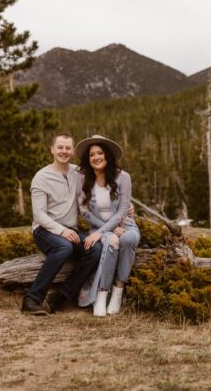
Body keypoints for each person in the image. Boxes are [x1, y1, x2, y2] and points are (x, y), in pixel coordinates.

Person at [21, 133, 103, 315]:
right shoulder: (41, 177)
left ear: (73, 151)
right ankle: (32, 299)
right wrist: (61, 230)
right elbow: (39, 215)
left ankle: (61, 296)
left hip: (71, 230)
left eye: (67, 148)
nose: (64, 151)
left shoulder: (78, 172)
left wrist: (125, 203)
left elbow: (105, 181)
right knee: (64, 248)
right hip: (45, 230)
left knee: (95, 248)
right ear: (52, 149)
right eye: (60, 147)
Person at [75, 134, 140, 317]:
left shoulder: (123, 177)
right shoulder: (82, 178)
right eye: (91, 154)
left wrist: (108, 229)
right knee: (111, 241)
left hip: (126, 224)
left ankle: (118, 291)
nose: (96, 157)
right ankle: (101, 296)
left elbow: (122, 211)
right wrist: (106, 230)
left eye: (100, 153)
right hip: (99, 228)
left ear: (107, 155)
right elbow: (84, 211)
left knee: (129, 238)